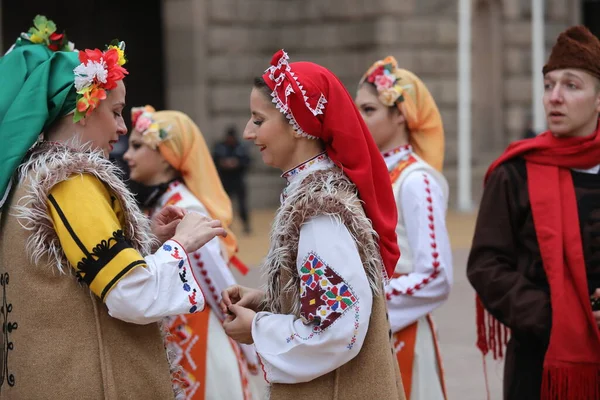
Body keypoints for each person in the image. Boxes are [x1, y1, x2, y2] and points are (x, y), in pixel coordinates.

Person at [0, 16, 225, 398]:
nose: (122, 129)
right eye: (116, 111)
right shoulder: (71, 181)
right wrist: (180, 245)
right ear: (85, 109)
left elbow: (74, 269)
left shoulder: (30, 176)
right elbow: (131, 294)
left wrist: (146, 239)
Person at [220, 49, 405, 399]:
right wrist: (268, 300)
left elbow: (339, 329)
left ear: (299, 126)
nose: (247, 132)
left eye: (259, 120)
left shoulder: (320, 214)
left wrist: (258, 328)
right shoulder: (317, 199)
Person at [467, 25, 600, 400]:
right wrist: (555, 316)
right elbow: (486, 264)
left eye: (571, 86)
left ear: (598, 100)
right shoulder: (514, 172)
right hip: (541, 363)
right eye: (548, 86)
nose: (554, 97)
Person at [123, 106, 259, 400]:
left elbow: (218, 286)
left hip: (197, 336)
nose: (126, 155)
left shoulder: (185, 206)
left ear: (165, 154)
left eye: (137, 146)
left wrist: (248, 349)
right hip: (176, 333)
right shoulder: (163, 203)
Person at [355, 56, 452, 400]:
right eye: (357, 111)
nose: (359, 119)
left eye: (369, 110)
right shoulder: (368, 176)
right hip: (363, 333)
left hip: (401, 331)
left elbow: (436, 273)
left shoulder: (416, 180)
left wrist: (367, 305)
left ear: (400, 114)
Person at [213, 125, 251, 233]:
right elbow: (214, 161)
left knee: (242, 204)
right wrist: (223, 163)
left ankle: (246, 224)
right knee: (225, 205)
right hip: (225, 180)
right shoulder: (220, 147)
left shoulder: (241, 147)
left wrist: (237, 163)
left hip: (238, 179)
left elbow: (248, 161)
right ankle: (226, 224)